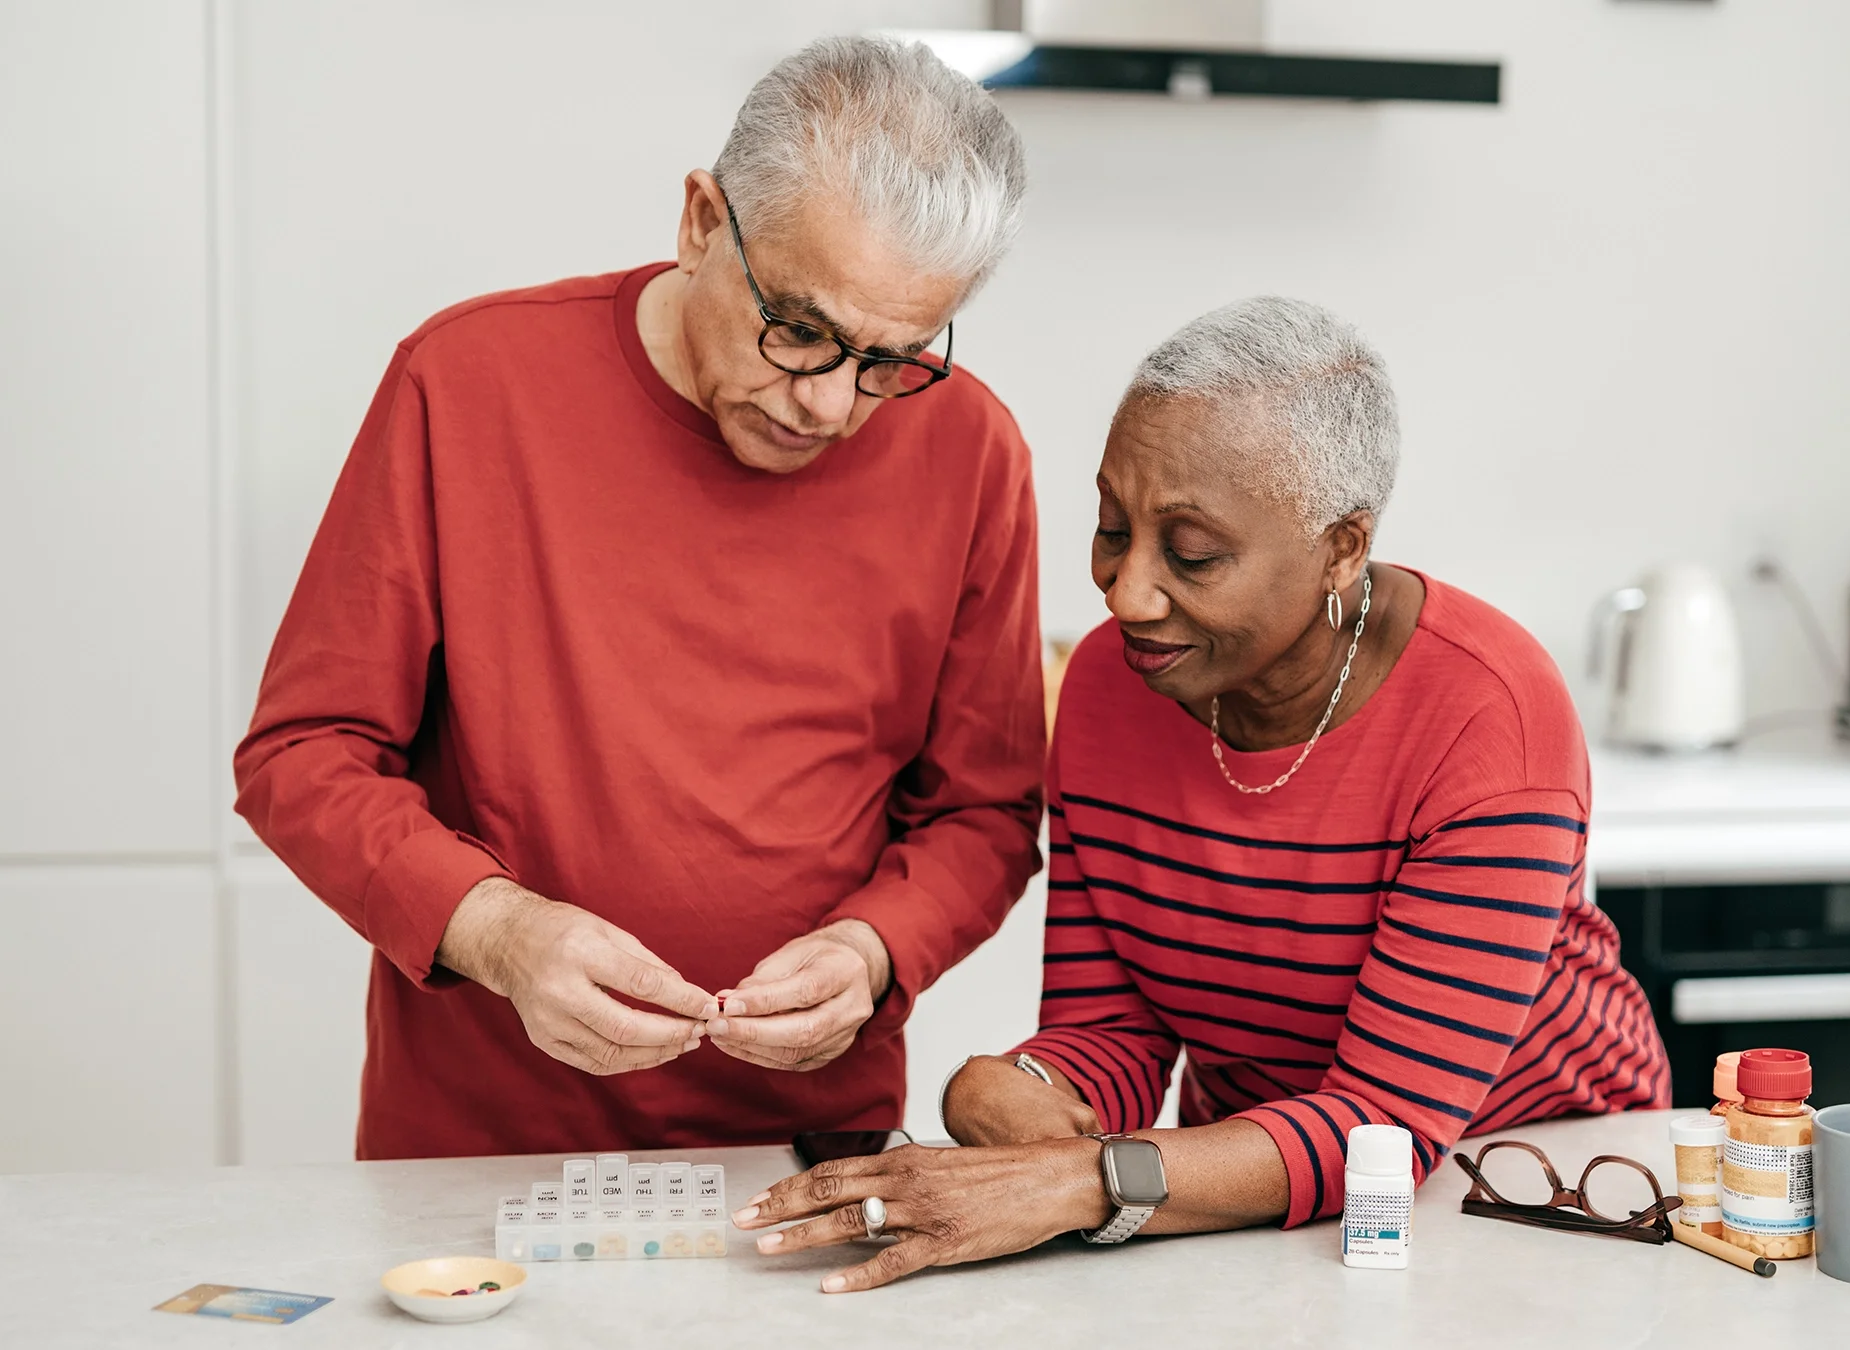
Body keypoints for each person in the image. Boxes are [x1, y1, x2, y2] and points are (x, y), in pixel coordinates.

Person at [733, 297, 1671, 1292]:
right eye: (1110, 526)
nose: (1126, 592)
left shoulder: (1488, 722)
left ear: (1341, 548)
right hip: (1265, 1199)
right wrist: (1013, 1090)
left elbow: (1382, 1126)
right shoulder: (1109, 686)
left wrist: (1078, 1182)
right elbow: (1120, 1032)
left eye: (1191, 555)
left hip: (1553, 1191)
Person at [233, 36, 1043, 1159]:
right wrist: (501, 933)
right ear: (703, 222)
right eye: (799, 330)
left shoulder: (971, 451)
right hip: (481, 1148)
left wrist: (875, 947)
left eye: (889, 360)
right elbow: (303, 755)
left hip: (809, 1146)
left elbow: (984, 811)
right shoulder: (467, 383)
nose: (827, 404)